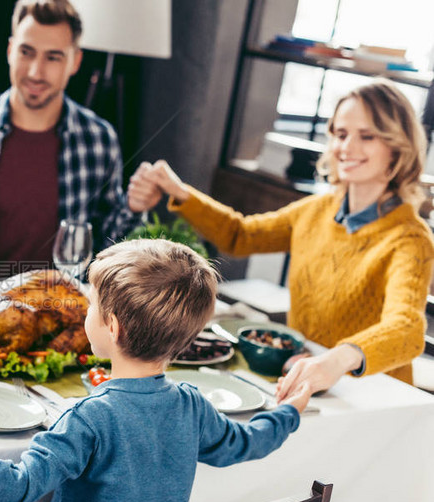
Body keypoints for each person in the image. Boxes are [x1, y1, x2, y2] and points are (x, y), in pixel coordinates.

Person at [0, 239, 312, 502]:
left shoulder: (89, 417)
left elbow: (17, 487)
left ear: (112, 327)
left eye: (93, 305)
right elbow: (247, 442)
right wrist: (288, 411)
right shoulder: (192, 405)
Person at [128, 79, 434, 398]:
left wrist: (338, 359)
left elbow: (407, 328)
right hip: (309, 379)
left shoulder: (409, 238)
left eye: (367, 136)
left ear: (398, 147)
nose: (347, 148)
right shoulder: (316, 210)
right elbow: (240, 236)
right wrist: (180, 193)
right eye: (341, 134)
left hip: (376, 395)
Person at [0, 0, 147, 277]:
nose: (35, 72)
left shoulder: (99, 140)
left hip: (59, 307)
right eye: (26, 52)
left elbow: (107, 246)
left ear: (75, 61)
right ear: (10, 51)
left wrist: (133, 207)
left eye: (53, 57)